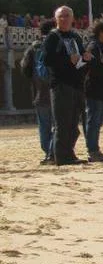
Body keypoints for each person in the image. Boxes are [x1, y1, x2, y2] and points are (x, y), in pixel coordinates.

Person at [44, 6, 90, 166]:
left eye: (67, 16)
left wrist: (85, 57)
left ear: (72, 18)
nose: (64, 19)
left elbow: (81, 59)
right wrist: (66, 60)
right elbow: (47, 60)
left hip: (76, 84)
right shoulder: (52, 37)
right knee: (62, 123)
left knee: (73, 125)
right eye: (61, 16)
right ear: (56, 19)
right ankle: (61, 157)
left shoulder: (75, 37)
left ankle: (69, 154)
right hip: (60, 85)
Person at [20, 19, 55, 164]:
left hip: (39, 93)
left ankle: (47, 152)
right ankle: (52, 153)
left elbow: (25, 69)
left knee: (44, 126)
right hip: (55, 92)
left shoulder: (33, 48)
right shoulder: (54, 45)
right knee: (58, 125)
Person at [83, 17, 103, 163]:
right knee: (93, 121)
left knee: (97, 121)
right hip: (94, 89)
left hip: (102, 89)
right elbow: (95, 69)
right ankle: (93, 150)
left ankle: (94, 149)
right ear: (102, 32)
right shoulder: (94, 47)